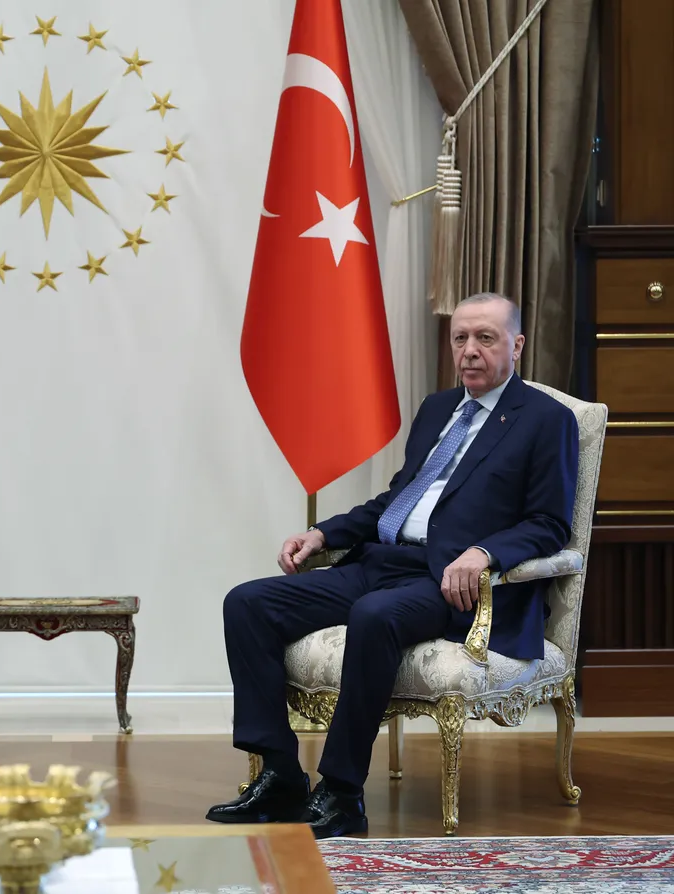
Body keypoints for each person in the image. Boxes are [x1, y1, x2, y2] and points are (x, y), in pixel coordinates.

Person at [208, 292, 578, 838]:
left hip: (453, 583)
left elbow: (549, 523)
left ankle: (342, 792)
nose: (470, 350)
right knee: (248, 603)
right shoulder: (437, 409)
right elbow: (397, 499)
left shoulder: (547, 420)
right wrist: (324, 533)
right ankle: (281, 774)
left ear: (517, 345)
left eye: (486, 338)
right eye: (460, 338)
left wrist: (484, 554)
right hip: (383, 563)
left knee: (375, 614)